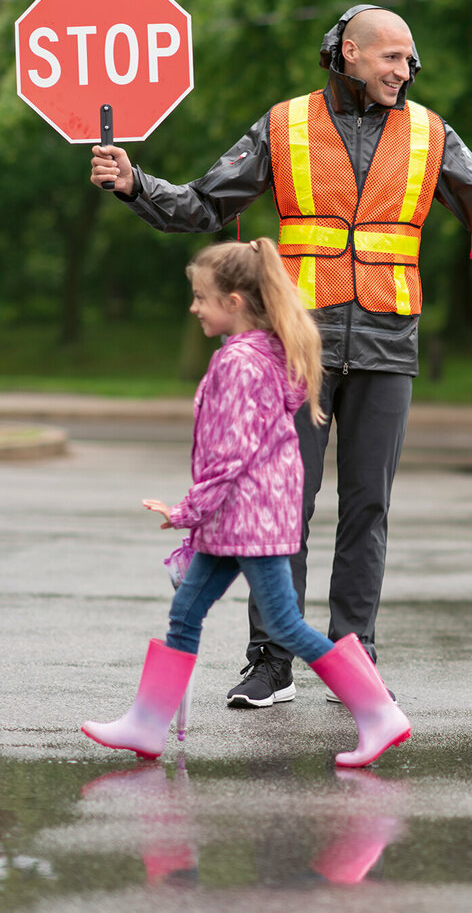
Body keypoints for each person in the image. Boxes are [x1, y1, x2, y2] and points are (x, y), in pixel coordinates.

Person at [90, 4, 472, 708]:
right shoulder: (285, 124)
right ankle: (272, 662)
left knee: (368, 507)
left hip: (389, 343)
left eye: (410, 60)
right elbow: (204, 204)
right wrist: (135, 183)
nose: (405, 70)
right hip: (298, 348)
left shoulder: (428, 133)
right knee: (280, 505)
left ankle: (355, 655)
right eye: (392, 57)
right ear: (347, 52)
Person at [81, 239, 410, 767]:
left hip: (249, 522)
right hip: (240, 521)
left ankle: (376, 713)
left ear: (234, 302)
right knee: (185, 612)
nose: (194, 307)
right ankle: (146, 724)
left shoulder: (240, 362)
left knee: (284, 625)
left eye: (201, 298)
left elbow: (229, 455)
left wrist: (186, 512)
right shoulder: (264, 354)